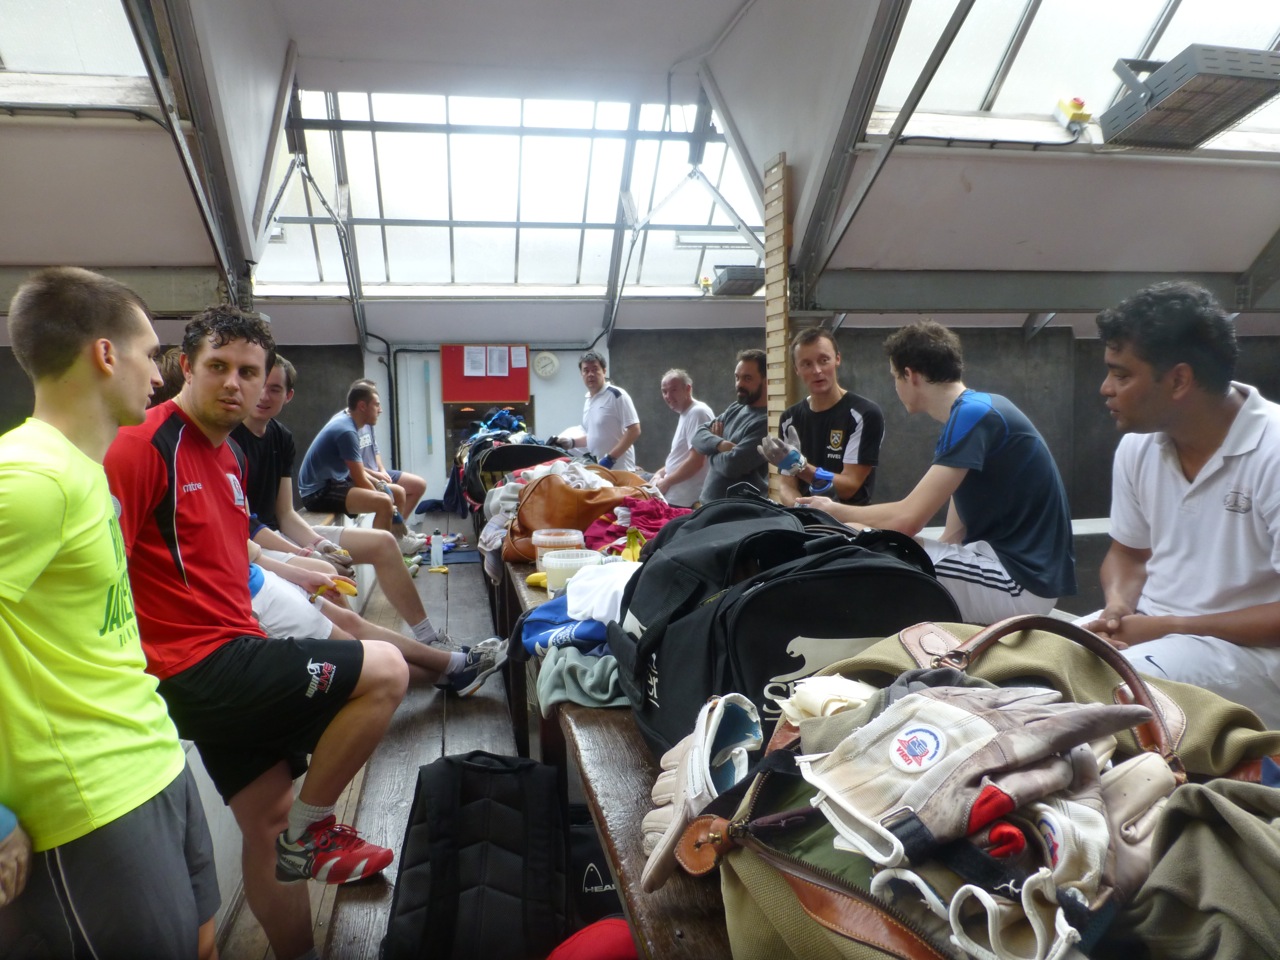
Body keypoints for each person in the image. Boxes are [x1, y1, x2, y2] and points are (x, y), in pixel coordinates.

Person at [104, 305, 409, 960]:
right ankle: (316, 830)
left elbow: (225, 555)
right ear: (184, 367)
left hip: (235, 649)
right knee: (386, 668)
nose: (233, 383)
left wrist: (301, 570)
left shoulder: (230, 455)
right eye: (217, 366)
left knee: (267, 826)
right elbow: (105, 573)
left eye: (248, 371)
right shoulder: (142, 446)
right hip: (196, 667)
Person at [1, 267, 219, 958]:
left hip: (153, 755)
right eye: (150, 354)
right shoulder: (29, 478)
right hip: (89, 800)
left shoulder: (84, 471)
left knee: (203, 943)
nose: (157, 374)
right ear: (104, 354)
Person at [1083, 281, 1280, 728]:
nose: (1105, 389)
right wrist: (1118, 606)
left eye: (1121, 375)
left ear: (1179, 380)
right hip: (1152, 631)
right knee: (1031, 659)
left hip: (1256, 658)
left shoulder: (1272, 450)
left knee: (1107, 690)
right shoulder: (1139, 446)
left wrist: (1171, 627)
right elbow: (1128, 553)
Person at [800, 321, 1075, 624]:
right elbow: (953, 535)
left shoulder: (972, 415)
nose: (896, 386)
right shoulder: (977, 410)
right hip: (1012, 570)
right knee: (867, 540)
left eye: (895, 376)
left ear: (910, 375)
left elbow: (907, 520)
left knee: (873, 550)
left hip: (1019, 583)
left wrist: (833, 511)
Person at [233, 359, 476, 650]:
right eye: (260, 385)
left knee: (384, 542)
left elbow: (285, 514)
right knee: (326, 570)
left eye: (275, 389)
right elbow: (247, 526)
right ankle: (364, 653)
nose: (264, 396)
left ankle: (429, 638)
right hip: (254, 545)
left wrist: (322, 544)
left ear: (288, 395)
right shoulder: (230, 439)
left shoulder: (281, 436)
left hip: (280, 533)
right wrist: (309, 551)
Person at [248, 547, 505, 697]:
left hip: (261, 576)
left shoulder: (230, 470)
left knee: (350, 621)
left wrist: (303, 575)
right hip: (253, 596)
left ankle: (454, 666)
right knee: (353, 650)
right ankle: (453, 671)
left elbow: (251, 551)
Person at [297, 381, 427, 556]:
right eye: (377, 405)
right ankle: (385, 557)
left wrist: (383, 487)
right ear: (362, 406)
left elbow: (360, 473)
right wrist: (392, 508)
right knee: (383, 502)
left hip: (336, 481)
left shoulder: (350, 422)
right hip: (317, 492)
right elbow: (360, 479)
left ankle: (398, 541)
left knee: (397, 492)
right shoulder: (347, 431)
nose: (380, 410)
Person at [764, 327, 884, 507]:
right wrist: (801, 508)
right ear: (796, 369)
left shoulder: (864, 414)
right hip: (805, 517)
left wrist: (800, 467)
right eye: (806, 364)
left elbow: (849, 486)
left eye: (824, 360)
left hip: (849, 519)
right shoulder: (790, 418)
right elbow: (787, 485)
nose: (817, 370)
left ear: (837, 359)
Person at [690, 348, 770, 501]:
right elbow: (698, 436)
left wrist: (710, 453)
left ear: (766, 381)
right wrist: (721, 444)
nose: (739, 384)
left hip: (735, 510)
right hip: (708, 504)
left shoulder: (765, 422)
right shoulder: (736, 407)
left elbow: (731, 466)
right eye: (737, 377)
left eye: (747, 378)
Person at [547, 351, 641, 471]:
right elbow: (594, 436)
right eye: (586, 370)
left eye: (595, 369)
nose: (590, 374)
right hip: (600, 469)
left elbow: (634, 430)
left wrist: (611, 458)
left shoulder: (617, 395)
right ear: (581, 374)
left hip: (621, 470)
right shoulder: (588, 400)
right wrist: (571, 442)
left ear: (604, 371)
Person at [353, 379, 428, 524]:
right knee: (397, 493)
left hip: (376, 472)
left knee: (419, 485)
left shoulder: (368, 421)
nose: (379, 408)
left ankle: (399, 529)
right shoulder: (350, 425)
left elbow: (375, 449)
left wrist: (382, 470)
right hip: (363, 475)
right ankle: (390, 531)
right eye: (374, 400)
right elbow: (351, 466)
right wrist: (377, 476)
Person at [650, 368, 712, 508]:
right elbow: (680, 456)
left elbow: (697, 461)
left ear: (688, 389)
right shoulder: (686, 413)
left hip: (685, 501)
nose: (668, 396)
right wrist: (660, 473)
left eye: (674, 390)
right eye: (664, 391)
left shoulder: (698, 413)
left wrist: (666, 482)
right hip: (673, 495)